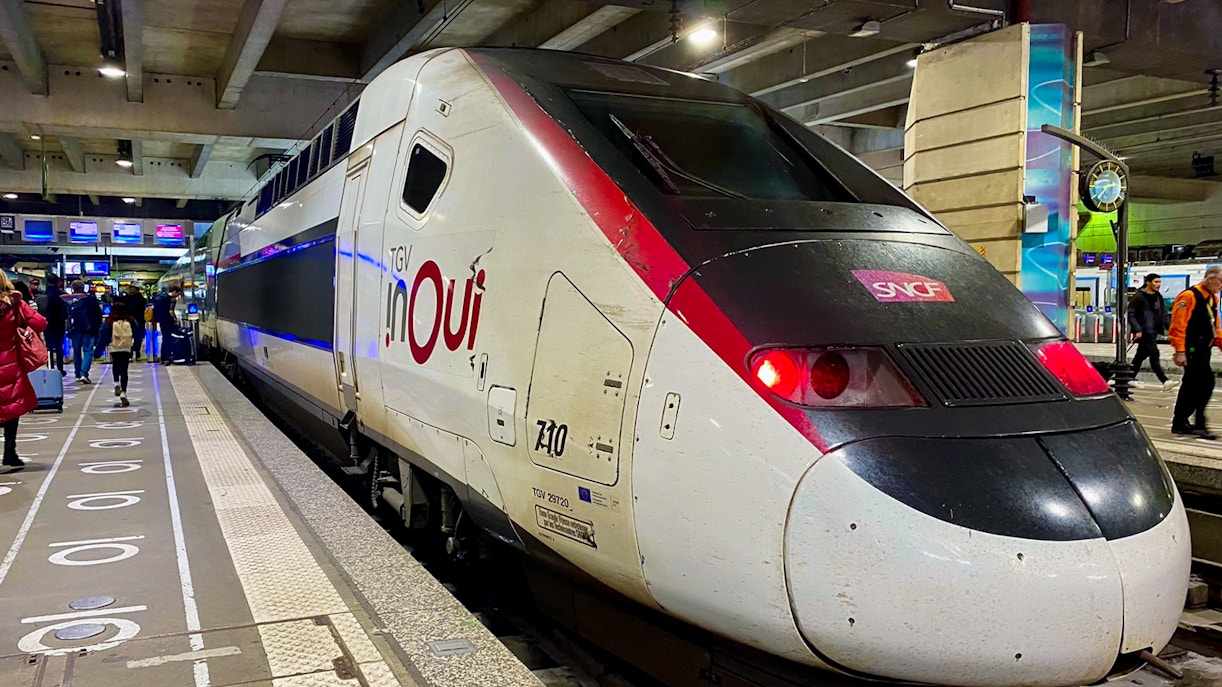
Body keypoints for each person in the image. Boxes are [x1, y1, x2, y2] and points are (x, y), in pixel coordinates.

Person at [1169, 265, 1222, 440]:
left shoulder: (1213, 298)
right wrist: (1180, 351)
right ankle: (1195, 423)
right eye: (1221, 282)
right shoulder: (1189, 297)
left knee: (1193, 386)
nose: (1221, 286)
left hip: (1203, 349)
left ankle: (1182, 422)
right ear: (1211, 278)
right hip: (1191, 350)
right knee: (1204, 383)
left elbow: (1215, 327)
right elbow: (1178, 326)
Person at [0, 273, 47, 467]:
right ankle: (10, 452)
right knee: (11, 409)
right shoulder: (16, 303)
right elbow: (40, 323)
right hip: (10, 363)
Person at [1128, 273, 1179, 392]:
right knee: (1154, 354)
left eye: (1159, 282)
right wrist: (1137, 329)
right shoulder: (1139, 297)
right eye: (1156, 282)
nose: (1159, 285)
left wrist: (1170, 329)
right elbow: (1131, 314)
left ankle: (1129, 377)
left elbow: (1164, 314)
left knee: (1140, 356)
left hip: (1153, 330)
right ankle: (1165, 380)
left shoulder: (1158, 297)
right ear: (1148, 282)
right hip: (1144, 331)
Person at [95, 302, 135, 407]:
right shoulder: (130, 320)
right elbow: (137, 333)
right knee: (124, 370)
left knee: (116, 364)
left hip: (114, 346)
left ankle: (116, 383)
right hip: (126, 347)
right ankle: (124, 392)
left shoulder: (109, 322)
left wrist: (99, 351)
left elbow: (103, 336)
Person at [62, 279, 102, 384]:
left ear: (72, 288)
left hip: (74, 329)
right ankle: (84, 373)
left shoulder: (67, 300)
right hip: (88, 329)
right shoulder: (90, 299)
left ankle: (77, 374)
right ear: (83, 288)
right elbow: (98, 314)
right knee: (88, 351)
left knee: (76, 351)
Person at [42, 275, 67, 377]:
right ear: (58, 282)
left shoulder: (43, 295)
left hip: (47, 324)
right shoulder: (63, 295)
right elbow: (65, 311)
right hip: (59, 323)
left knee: (49, 347)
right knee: (59, 346)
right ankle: (60, 369)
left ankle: (50, 367)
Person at [151, 285, 181, 363]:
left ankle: (163, 358)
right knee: (169, 339)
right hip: (168, 321)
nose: (178, 296)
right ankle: (167, 358)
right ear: (174, 291)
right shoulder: (171, 299)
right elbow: (171, 311)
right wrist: (175, 319)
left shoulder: (161, 297)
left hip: (162, 321)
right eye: (178, 294)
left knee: (165, 339)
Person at [118, 285, 147, 360]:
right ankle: (131, 352)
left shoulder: (140, 299)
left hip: (137, 320)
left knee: (138, 337)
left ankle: (136, 350)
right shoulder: (124, 299)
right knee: (128, 337)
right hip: (128, 321)